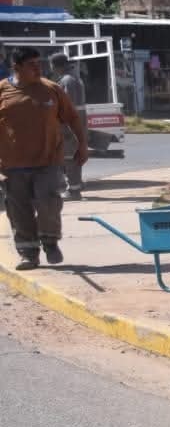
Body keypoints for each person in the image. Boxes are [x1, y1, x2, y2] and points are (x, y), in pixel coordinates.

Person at [0, 47, 87, 270]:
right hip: (12, 165)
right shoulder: (2, 91)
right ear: (16, 67)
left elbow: (73, 118)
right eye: (32, 65)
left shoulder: (52, 89)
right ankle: (28, 253)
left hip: (48, 161)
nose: (39, 68)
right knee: (19, 211)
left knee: (49, 202)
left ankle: (50, 242)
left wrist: (83, 145)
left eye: (40, 64)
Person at [49, 53, 86, 201]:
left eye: (51, 65)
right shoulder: (74, 78)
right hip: (76, 123)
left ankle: (74, 191)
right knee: (72, 157)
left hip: (69, 125)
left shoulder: (67, 80)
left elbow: (66, 106)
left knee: (69, 158)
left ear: (55, 65)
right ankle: (75, 187)